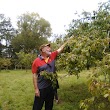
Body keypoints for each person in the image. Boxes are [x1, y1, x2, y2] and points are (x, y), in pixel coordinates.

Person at [32, 37, 73, 110]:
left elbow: (60, 49)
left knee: (49, 106)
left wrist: (68, 40)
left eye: (49, 48)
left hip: (51, 87)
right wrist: (36, 89)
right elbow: (34, 75)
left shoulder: (52, 55)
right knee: (37, 107)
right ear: (42, 50)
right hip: (41, 88)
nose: (49, 49)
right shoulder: (36, 61)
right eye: (47, 48)